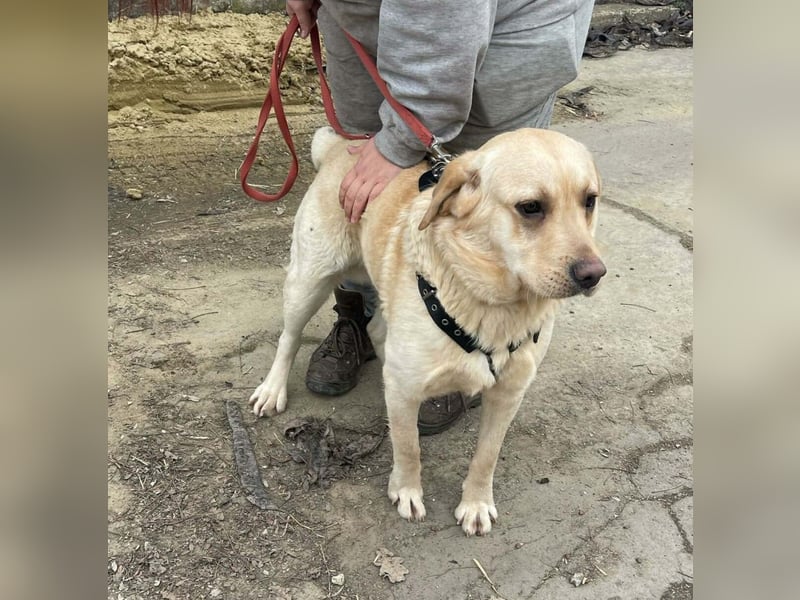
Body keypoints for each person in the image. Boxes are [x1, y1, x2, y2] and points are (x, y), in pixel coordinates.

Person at [287, 0, 595, 434]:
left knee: (491, 217)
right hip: (372, 30)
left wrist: (399, 140)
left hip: (492, 47)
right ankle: (358, 319)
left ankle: (466, 350)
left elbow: (444, 20)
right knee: (365, 202)